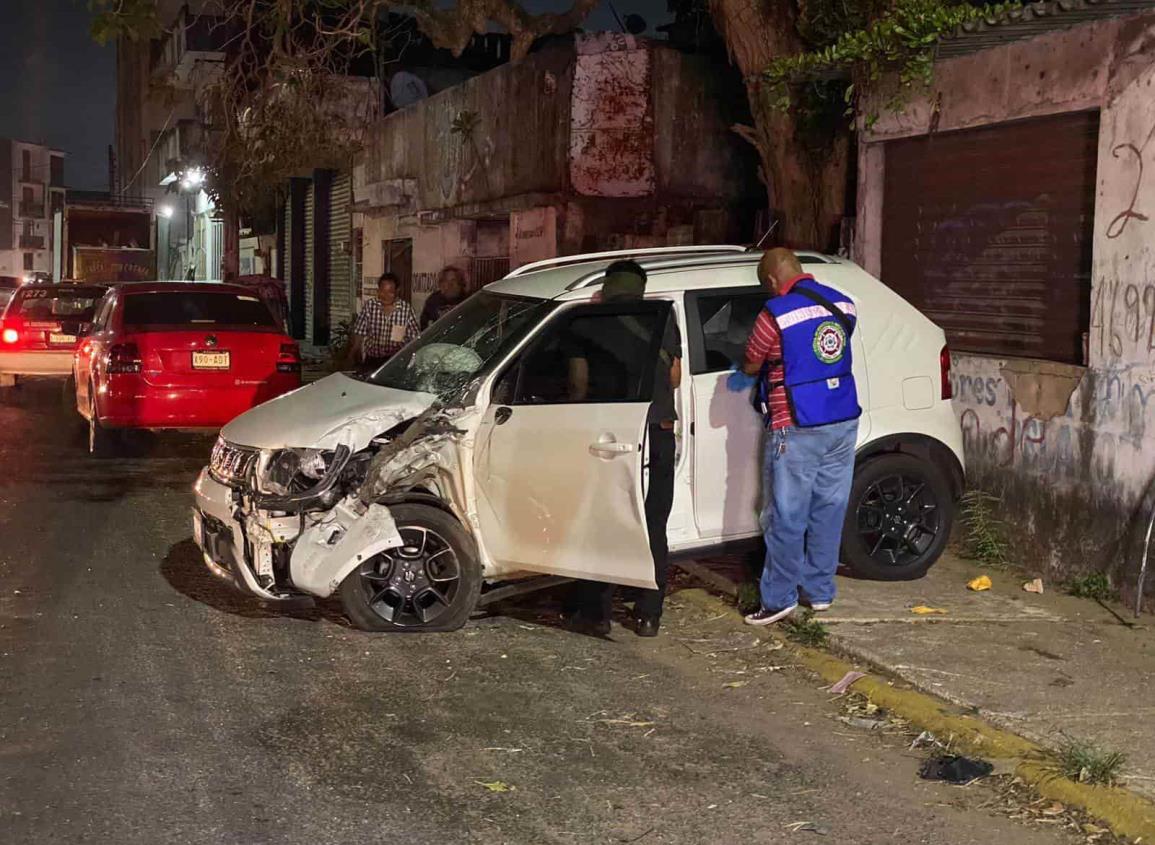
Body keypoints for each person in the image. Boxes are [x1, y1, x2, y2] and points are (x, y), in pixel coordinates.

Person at [732, 248, 861, 625]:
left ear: (772, 280)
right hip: (841, 417)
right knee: (829, 509)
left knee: (785, 516)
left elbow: (753, 362)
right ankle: (819, 592)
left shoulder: (775, 314)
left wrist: (745, 370)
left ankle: (778, 598)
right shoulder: (845, 305)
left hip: (796, 424)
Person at [563, 259, 681, 638]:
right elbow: (675, 377)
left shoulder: (587, 322)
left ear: (608, 286)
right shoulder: (663, 316)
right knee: (653, 525)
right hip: (657, 432)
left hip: (610, 437)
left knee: (603, 524)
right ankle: (649, 616)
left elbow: (578, 385)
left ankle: (596, 612)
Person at [351, 272, 420, 371]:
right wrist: (353, 354)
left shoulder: (406, 310)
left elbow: (414, 338)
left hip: (395, 362)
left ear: (397, 291)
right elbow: (359, 332)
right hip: (372, 360)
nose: (385, 295)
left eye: (390, 292)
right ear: (378, 290)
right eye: (382, 291)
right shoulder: (370, 306)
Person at [420, 266, 468, 330]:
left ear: (460, 283)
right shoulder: (433, 300)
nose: (450, 284)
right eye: (446, 281)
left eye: (453, 280)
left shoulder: (468, 299)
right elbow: (424, 324)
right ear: (441, 283)